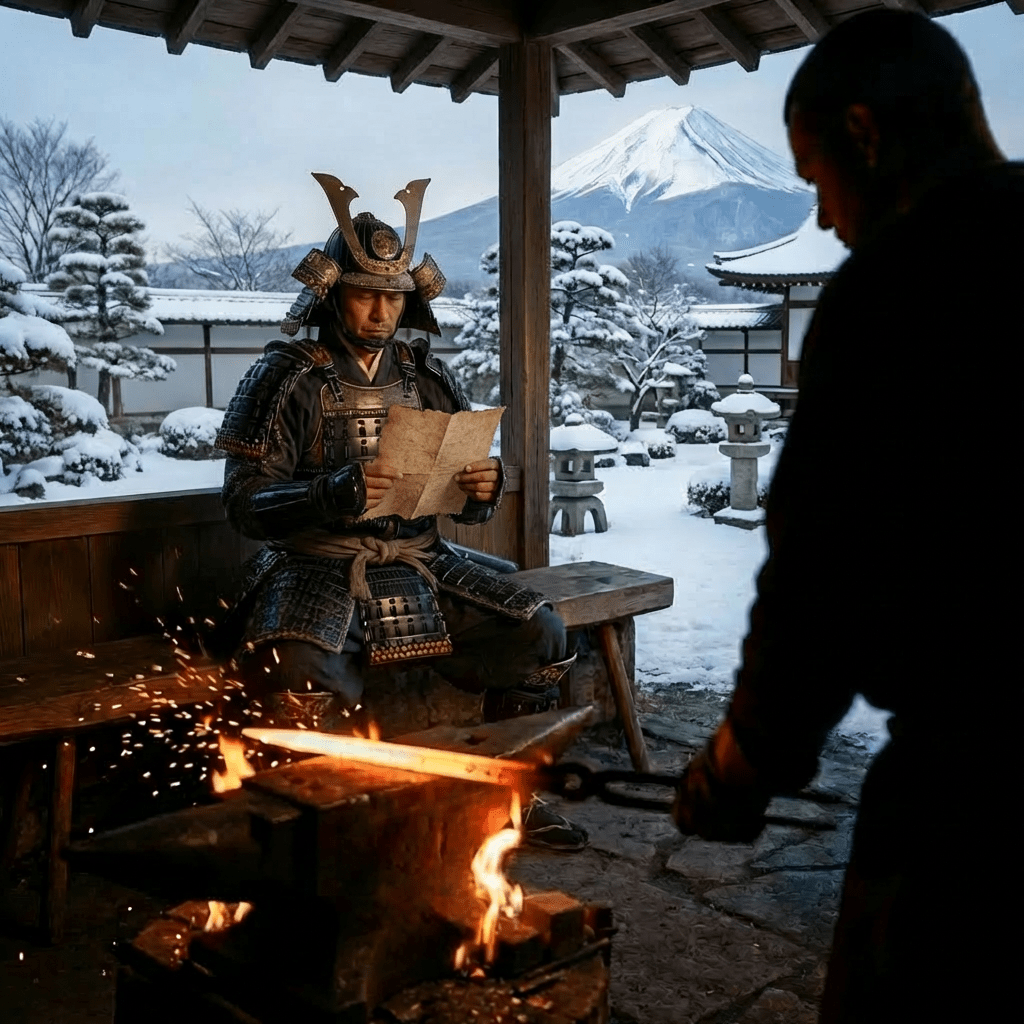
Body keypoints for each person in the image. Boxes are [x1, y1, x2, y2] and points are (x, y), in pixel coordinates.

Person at [671, 11, 1021, 1023]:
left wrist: (740, 763)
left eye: (815, 174)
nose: (822, 218)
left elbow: (825, 574)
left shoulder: (901, 281)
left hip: (976, 794)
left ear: (864, 136)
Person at [214, 173, 585, 848]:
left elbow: (459, 508)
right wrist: (331, 491)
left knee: (543, 633)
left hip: (420, 557)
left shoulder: (427, 376)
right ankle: (312, 832)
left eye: (392, 295)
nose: (381, 312)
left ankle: (508, 798)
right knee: (300, 674)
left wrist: (480, 489)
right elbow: (242, 503)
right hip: (315, 566)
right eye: (365, 294)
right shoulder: (285, 376)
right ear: (332, 293)